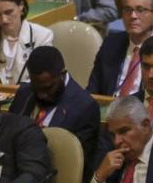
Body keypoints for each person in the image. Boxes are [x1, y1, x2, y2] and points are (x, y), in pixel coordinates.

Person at [9, 44, 102, 175]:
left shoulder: (85, 107)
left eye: (48, 88)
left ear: (62, 75)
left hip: (55, 178)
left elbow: (79, 164)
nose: (41, 95)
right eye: (36, 87)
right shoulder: (24, 93)